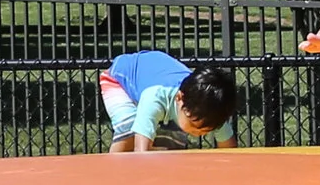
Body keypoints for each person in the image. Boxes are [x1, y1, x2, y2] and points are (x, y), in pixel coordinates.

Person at [100, 51, 240, 153]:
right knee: (129, 129)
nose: (197, 133)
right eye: (194, 125)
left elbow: (230, 151)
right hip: (119, 79)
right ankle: (114, 174)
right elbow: (140, 151)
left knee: (172, 141)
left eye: (205, 131)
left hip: (154, 77)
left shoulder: (211, 110)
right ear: (179, 98)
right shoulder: (155, 97)